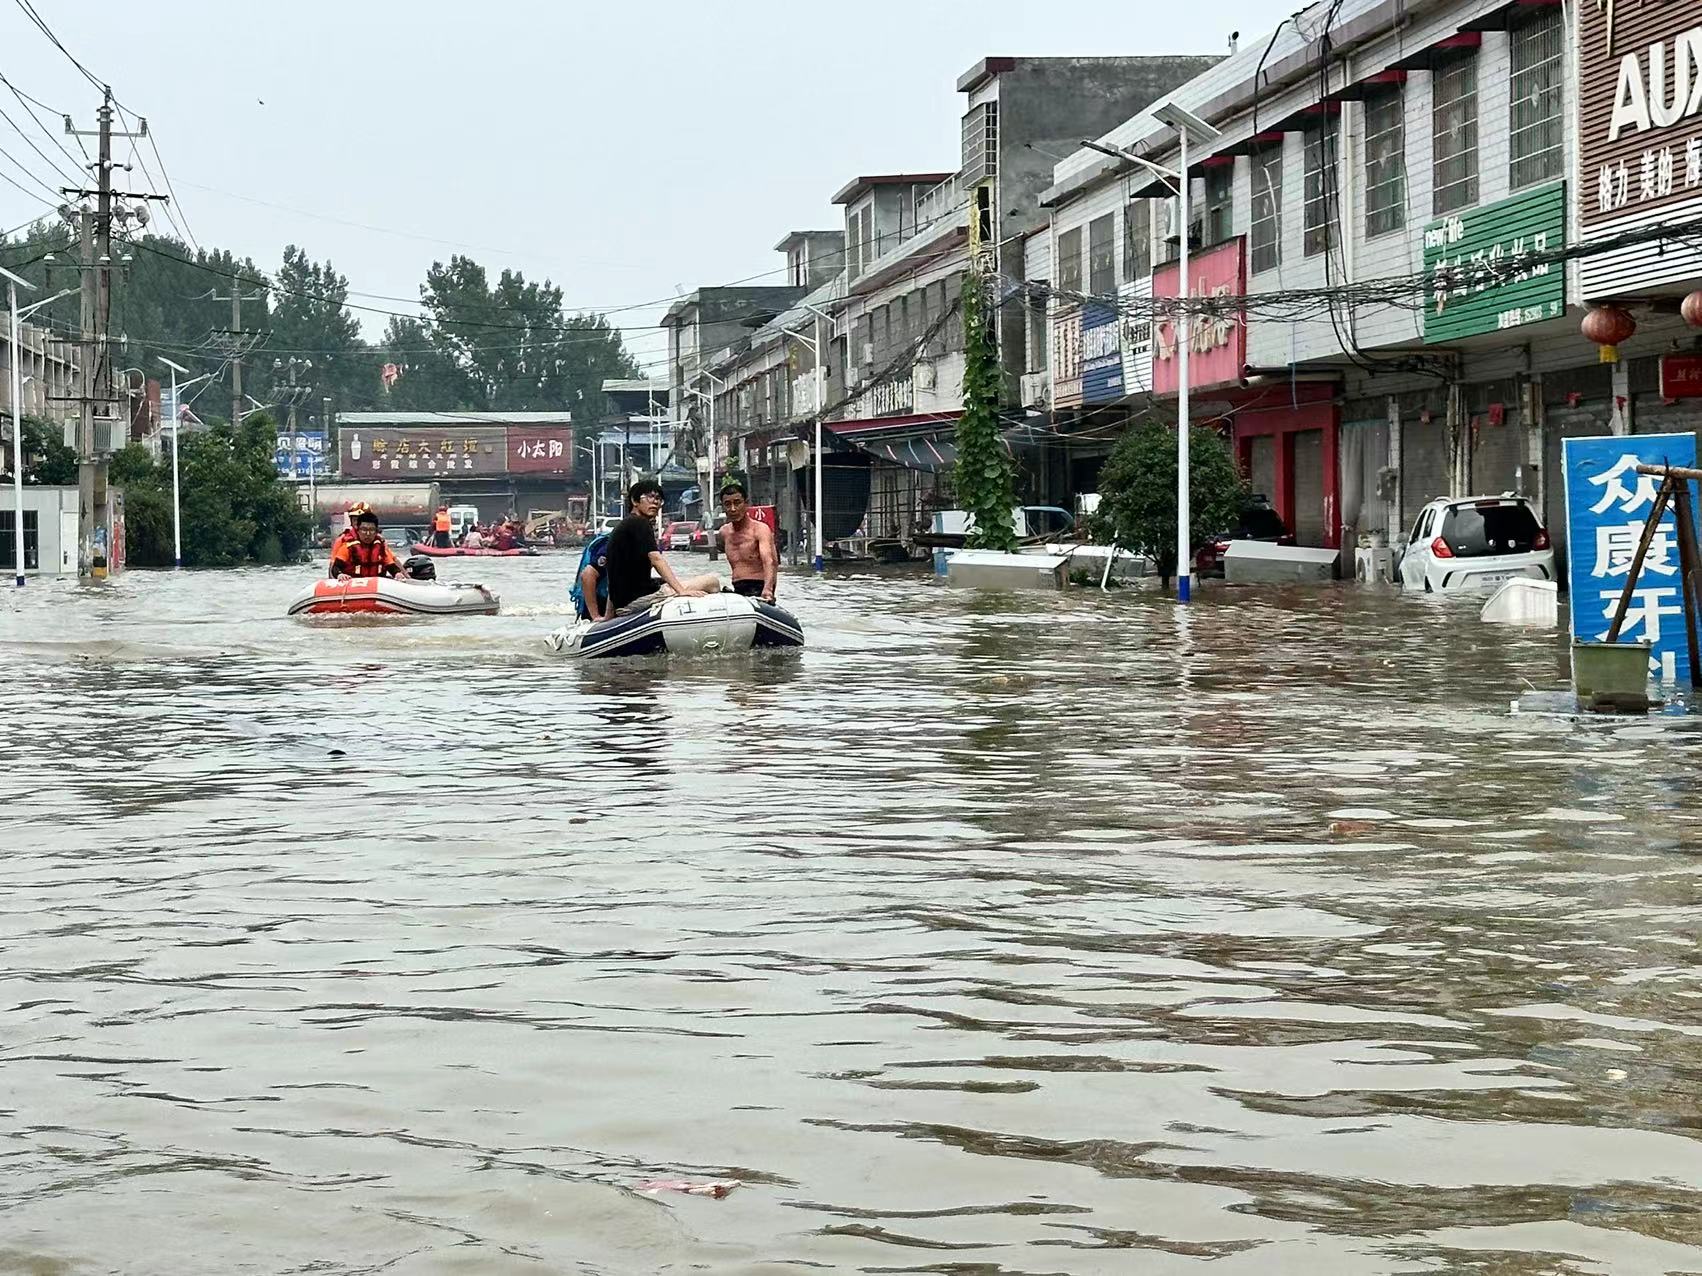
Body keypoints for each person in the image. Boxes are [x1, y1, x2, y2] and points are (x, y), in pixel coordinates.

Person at [604, 478, 722, 615]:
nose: (655, 502)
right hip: (639, 600)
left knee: (673, 583)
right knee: (711, 582)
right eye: (649, 497)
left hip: (623, 604)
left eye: (658, 499)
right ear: (635, 501)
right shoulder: (640, 523)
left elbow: (613, 576)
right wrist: (681, 591)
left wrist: (608, 615)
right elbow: (656, 559)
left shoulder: (623, 526)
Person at [718, 481, 778, 602]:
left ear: (746, 504)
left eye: (737, 503)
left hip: (758, 587)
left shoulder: (760, 530)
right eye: (728, 504)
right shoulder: (723, 533)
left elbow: (770, 561)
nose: (733, 509)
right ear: (723, 507)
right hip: (737, 588)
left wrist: (768, 589)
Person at [329, 511, 401, 579]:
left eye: (371, 530)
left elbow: (390, 565)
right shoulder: (348, 547)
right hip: (353, 583)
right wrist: (340, 574)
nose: (368, 534)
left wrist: (397, 573)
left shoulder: (380, 547)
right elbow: (335, 568)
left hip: (376, 584)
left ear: (376, 531)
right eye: (364, 530)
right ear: (358, 530)